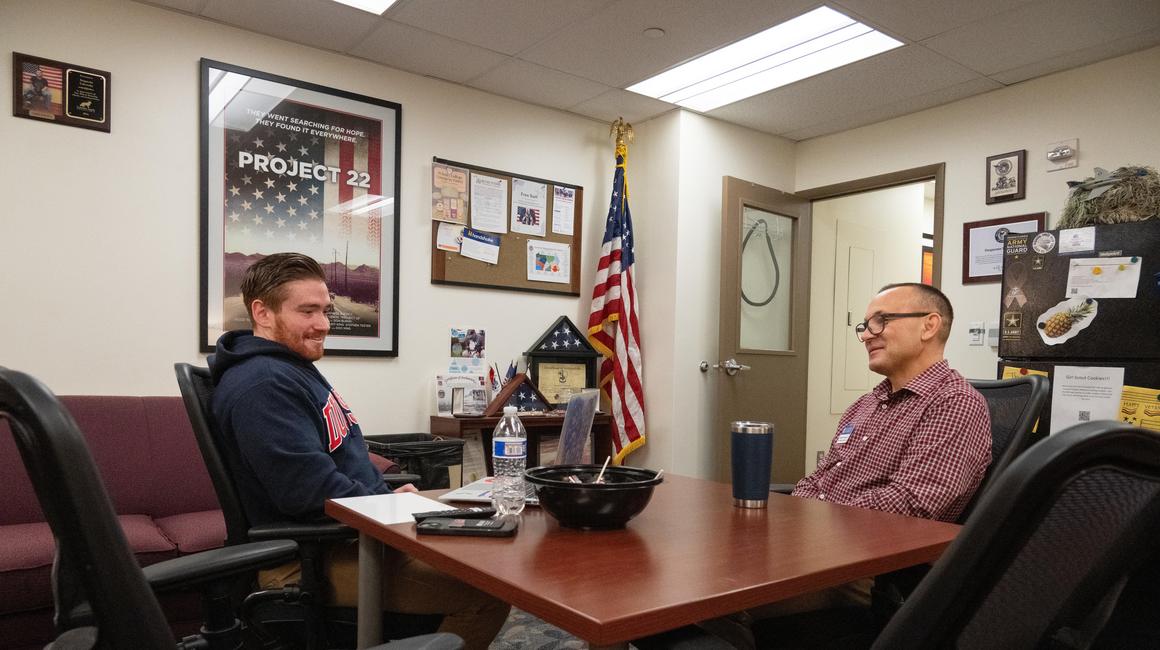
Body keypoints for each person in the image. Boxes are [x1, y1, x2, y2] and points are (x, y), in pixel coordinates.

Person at [209, 252, 509, 650]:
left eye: (325, 310)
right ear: (262, 312)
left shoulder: (289, 366)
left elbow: (334, 457)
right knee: (484, 590)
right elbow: (307, 491)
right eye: (307, 311)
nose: (322, 324)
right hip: (303, 562)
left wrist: (387, 496)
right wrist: (383, 505)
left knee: (478, 543)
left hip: (347, 538)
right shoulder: (262, 385)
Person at [759, 282, 991, 617]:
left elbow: (915, 504)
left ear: (929, 325)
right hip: (817, 543)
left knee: (715, 603)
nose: (867, 335)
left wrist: (816, 519)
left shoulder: (955, 404)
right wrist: (798, 518)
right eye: (865, 326)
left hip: (863, 567)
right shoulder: (865, 405)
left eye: (881, 321)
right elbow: (822, 478)